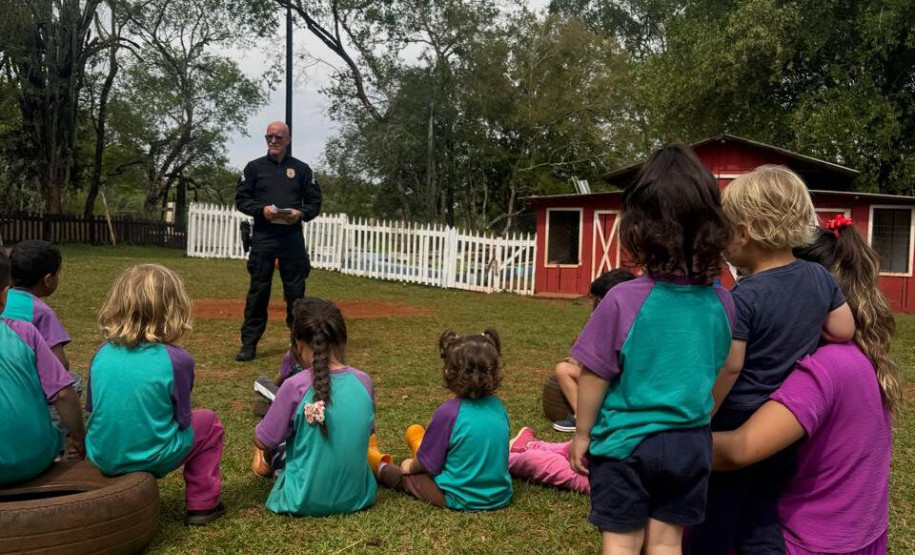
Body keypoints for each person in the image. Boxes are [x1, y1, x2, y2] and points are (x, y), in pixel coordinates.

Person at [568, 144, 735, 555]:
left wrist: (584, 433)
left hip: (627, 444)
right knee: (666, 542)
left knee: (622, 544)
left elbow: (593, 373)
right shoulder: (724, 301)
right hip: (690, 444)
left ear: (638, 225)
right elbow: (727, 366)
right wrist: (698, 412)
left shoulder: (623, 299)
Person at [689, 166, 856, 555]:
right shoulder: (819, 276)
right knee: (761, 514)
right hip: (782, 427)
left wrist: (704, 411)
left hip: (736, 420)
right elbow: (843, 329)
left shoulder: (742, 297)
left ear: (744, 233)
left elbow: (731, 365)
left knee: (715, 516)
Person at [711, 218, 897, 555]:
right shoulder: (860, 354)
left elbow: (738, 450)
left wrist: (651, 444)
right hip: (859, 537)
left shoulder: (825, 367)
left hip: (809, 543)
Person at [85, 264, 226, 526]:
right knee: (210, 424)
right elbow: (182, 420)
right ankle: (203, 504)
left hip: (101, 454)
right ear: (173, 309)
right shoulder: (178, 360)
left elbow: (94, 407)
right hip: (151, 456)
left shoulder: (101, 353)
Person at [252, 298, 378, 516]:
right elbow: (367, 433)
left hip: (301, 499)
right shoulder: (364, 382)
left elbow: (262, 440)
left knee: (277, 442)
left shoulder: (293, 386)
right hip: (358, 496)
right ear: (343, 340)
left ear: (298, 343)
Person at [378, 329, 513, 512]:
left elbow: (428, 465)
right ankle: (415, 446)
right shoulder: (498, 407)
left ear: (451, 373)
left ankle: (379, 467)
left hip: (460, 497)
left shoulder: (448, 413)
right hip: (500, 495)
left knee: (403, 475)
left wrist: (409, 466)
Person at [235, 120, 322, 362]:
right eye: (269, 137)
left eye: (279, 137)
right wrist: (260, 209)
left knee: (296, 293)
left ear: (288, 140)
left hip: (291, 239)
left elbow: (314, 203)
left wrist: (301, 213)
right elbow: (241, 200)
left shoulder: (302, 170)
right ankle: (249, 344)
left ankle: (298, 345)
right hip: (263, 237)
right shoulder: (253, 168)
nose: (273, 141)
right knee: (258, 292)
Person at [0, 249, 85, 485]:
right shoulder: (25, 331)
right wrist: (80, 438)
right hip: (31, 460)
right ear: (4, 296)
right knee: (71, 381)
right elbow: (63, 390)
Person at [552, 269, 636, 432]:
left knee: (563, 370)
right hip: (618, 381)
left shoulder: (618, 322)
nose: (597, 308)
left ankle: (581, 417)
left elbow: (600, 362)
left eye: (600, 303)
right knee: (568, 367)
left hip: (619, 382)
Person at [1, 240, 75, 377]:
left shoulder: (3, 299)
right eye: (58, 274)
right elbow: (60, 364)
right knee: (74, 380)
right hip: (27, 379)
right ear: (48, 280)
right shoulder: (42, 312)